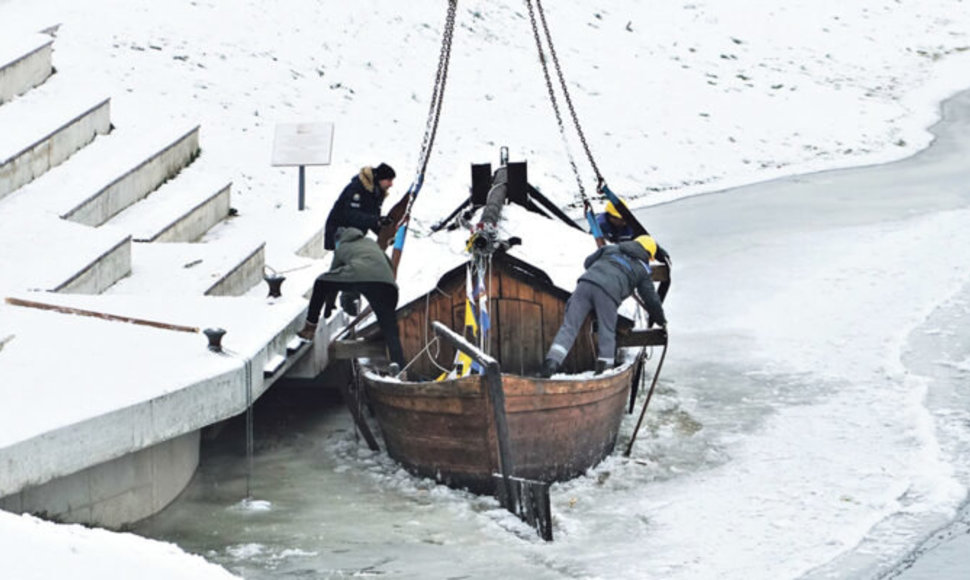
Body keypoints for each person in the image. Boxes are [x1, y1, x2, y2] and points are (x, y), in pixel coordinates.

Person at [540, 234, 667, 378]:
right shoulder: (643, 270)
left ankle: (551, 364)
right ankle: (603, 372)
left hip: (585, 285)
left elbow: (588, 263)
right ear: (648, 254)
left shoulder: (611, 248)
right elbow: (651, 299)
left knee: (569, 327)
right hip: (608, 294)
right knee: (607, 331)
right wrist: (661, 320)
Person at [298, 227, 405, 371]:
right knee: (391, 330)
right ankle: (400, 368)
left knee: (321, 282)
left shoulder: (342, 247)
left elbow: (332, 277)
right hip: (389, 287)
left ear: (339, 239)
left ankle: (309, 327)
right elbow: (387, 263)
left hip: (361, 277)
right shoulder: (370, 243)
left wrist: (329, 306)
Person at [323, 162, 396, 315]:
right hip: (340, 230)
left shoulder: (376, 192)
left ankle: (334, 297)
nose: (391, 185)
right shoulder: (356, 189)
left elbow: (372, 217)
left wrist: (384, 231)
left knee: (344, 265)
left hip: (354, 233)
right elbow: (352, 215)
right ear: (380, 178)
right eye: (389, 180)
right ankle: (347, 299)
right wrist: (376, 221)